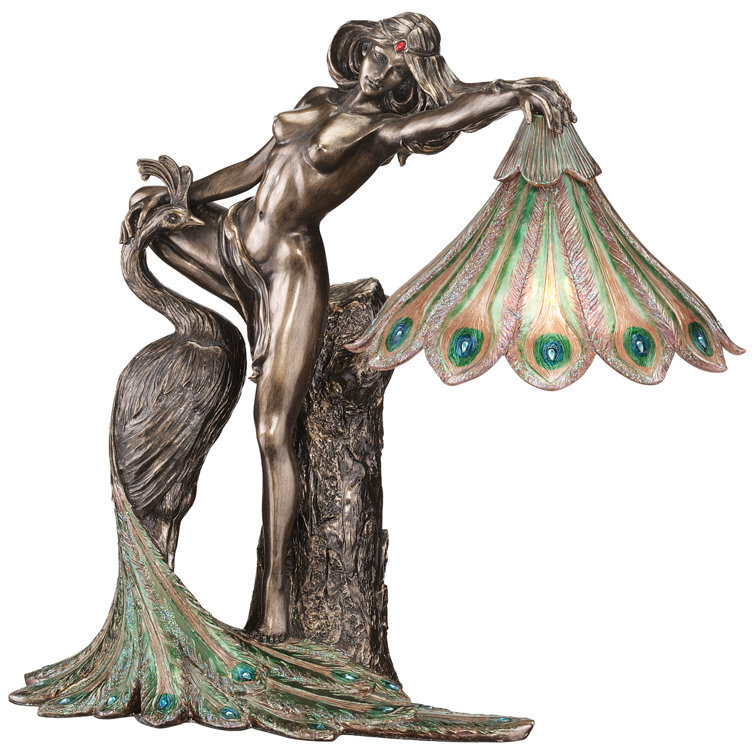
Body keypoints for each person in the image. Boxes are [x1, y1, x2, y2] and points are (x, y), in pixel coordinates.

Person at [121, 12, 574, 643]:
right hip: (232, 240)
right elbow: (253, 168)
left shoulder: (384, 131)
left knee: (273, 431)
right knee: (145, 217)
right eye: (378, 53)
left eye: (397, 66)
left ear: (410, 80)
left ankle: (276, 602)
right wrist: (187, 196)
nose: (379, 70)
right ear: (362, 48)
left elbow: (448, 116)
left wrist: (511, 94)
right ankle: (228, 331)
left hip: (289, 270)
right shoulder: (318, 99)